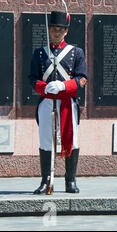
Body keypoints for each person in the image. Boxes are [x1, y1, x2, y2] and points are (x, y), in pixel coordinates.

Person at [29, 11, 87, 194]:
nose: (57, 32)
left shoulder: (76, 52)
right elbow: (32, 78)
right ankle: (46, 181)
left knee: (72, 139)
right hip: (47, 102)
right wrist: (44, 88)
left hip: (67, 102)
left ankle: (70, 181)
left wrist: (63, 86)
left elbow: (82, 79)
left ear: (66, 32)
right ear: (49, 30)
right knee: (46, 140)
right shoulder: (39, 53)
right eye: (54, 29)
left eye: (60, 29)